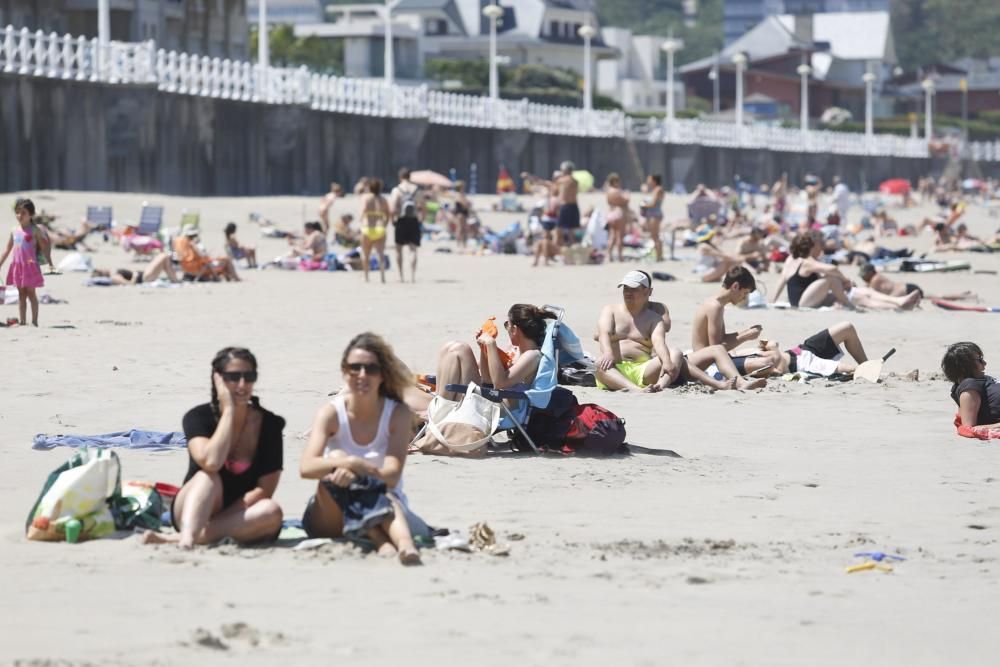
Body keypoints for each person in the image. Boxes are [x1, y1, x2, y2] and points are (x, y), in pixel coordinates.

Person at [299, 333, 426, 565]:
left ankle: (402, 545)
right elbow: (306, 467)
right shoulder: (331, 413)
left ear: (383, 374)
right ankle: (380, 539)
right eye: (355, 368)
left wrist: (357, 472)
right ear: (345, 372)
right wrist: (349, 463)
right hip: (330, 514)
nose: (362, 375)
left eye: (371, 369)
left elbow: (392, 475)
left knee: (379, 491)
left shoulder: (397, 414)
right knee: (337, 461)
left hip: (385, 501)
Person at [142, 347, 284, 549]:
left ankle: (181, 538)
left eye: (249, 376)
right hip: (194, 504)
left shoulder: (270, 424)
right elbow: (211, 462)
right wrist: (228, 412)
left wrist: (225, 518)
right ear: (218, 379)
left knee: (272, 511)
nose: (242, 385)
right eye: (233, 377)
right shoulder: (198, 417)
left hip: (241, 511)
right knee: (209, 476)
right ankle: (187, 538)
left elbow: (264, 490)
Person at [594, 270, 766, 392]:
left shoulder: (656, 313)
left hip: (647, 367)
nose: (628, 292)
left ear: (648, 292)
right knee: (600, 364)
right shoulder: (611, 310)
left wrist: (666, 360)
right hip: (618, 366)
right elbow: (602, 333)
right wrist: (745, 336)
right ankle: (640, 389)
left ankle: (660, 386)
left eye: (633, 289)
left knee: (674, 354)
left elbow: (661, 337)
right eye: (625, 288)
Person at [433, 304, 554, 402]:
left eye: (507, 324)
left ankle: (440, 410)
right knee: (451, 348)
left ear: (515, 329)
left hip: (501, 408)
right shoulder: (514, 349)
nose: (506, 329)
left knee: (461, 349)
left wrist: (491, 345)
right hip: (490, 396)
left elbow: (500, 384)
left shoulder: (532, 355)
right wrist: (484, 348)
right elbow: (488, 379)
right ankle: (441, 406)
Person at [692, 266, 782, 375]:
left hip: (712, 360)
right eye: (745, 293)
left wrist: (747, 332)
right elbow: (715, 349)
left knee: (771, 356)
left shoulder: (716, 304)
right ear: (735, 286)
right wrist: (745, 336)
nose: (744, 298)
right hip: (708, 365)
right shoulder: (714, 307)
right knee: (768, 362)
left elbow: (720, 340)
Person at [0, 198, 51, 326]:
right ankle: (22, 321)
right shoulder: (14, 230)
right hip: (17, 267)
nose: (19, 215)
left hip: (30, 267)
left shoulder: (35, 230)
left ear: (31, 215)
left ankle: (34, 321)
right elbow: (7, 249)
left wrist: (49, 262)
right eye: (17, 212)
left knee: (31, 294)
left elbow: (43, 247)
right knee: (21, 294)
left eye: (23, 213)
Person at [772, 232, 852, 308]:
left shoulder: (792, 259)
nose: (822, 248)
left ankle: (843, 303)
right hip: (802, 302)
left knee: (834, 287)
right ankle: (849, 305)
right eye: (821, 245)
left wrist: (773, 300)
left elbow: (782, 279)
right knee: (832, 280)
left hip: (795, 301)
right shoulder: (807, 261)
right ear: (813, 246)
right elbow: (833, 268)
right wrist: (845, 280)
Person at [942, 342, 1000, 432]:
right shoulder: (969, 386)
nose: (985, 363)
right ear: (964, 366)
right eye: (979, 360)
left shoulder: (981, 380)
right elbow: (969, 428)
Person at [775, 322, 870, 376]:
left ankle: (867, 366)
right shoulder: (761, 363)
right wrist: (772, 347)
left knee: (847, 328)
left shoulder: (760, 349)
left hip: (799, 350)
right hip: (800, 363)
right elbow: (777, 369)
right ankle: (867, 372)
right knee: (847, 369)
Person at [858, 263, 974, 302]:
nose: (863, 278)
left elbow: (870, 294)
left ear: (870, 273)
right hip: (908, 288)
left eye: (864, 275)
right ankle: (963, 295)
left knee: (937, 297)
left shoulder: (875, 279)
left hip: (908, 291)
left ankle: (964, 296)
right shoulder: (877, 278)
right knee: (935, 296)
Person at [174, 226, 240, 282]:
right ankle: (236, 278)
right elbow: (203, 257)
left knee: (220, 260)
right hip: (198, 269)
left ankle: (229, 277)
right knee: (226, 260)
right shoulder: (192, 243)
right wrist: (209, 258)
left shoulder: (179, 242)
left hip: (186, 268)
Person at [359, 178, 391, 283]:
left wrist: (360, 221)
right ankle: (382, 277)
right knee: (380, 254)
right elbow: (388, 214)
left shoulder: (366, 198)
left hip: (367, 227)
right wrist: (385, 224)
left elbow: (363, 210)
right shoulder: (383, 199)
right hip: (380, 227)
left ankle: (366, 277)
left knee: (366, 254)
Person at [91, 252, 180, 285]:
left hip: (144, 274)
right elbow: (129, 283)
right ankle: (175, 280)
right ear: (103, 273)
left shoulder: (113, 274)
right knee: (163, 256)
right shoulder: (114, 277)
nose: (104, 268)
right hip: (144, 278)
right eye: (102, 270)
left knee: (164, 259)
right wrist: (134, 275)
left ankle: (174, 279)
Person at [393, 199, 421, 283]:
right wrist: (421, 220)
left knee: (399, 250)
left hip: (401, 221)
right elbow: (423, 207)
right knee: (413, 250)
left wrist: (393, 220)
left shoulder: (397, 191)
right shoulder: (417, 191)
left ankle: (401, 276)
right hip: (414, 221)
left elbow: (393, 209)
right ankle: (413, 276)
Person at [605, 173, 630, 263]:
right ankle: (620, 256)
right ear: (615, 181)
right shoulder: (617, 191)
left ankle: (609, 255)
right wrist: (627, 196)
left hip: (611, 213)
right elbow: (624, 201)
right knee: (620, 236)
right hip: (619, 213)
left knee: (612, 236)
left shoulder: (608, 191)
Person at [640, 174, 666, 261]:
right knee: (654, 236)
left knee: (655, 236)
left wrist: (644, 205)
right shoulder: (654, 189)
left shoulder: (658, 189)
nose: (648, 181)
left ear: (654, 181)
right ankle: (659, 255)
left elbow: (653, 203)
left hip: (655, 214)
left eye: (649, 180)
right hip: (653, 214)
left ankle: (659, 256)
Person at [450, 181, 472, 249]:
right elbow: (463, 203)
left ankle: (462, 243)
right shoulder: (458, 194)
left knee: (463, 229)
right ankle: (459, 243)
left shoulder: (461, 194)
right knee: (460, 228)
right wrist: (468, 204)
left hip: (463, 213)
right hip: (460, 213)